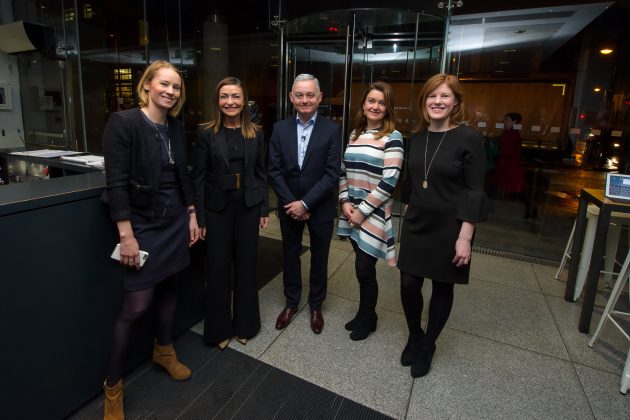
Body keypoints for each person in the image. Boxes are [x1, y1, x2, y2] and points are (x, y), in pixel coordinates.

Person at [102, 61, 199, 419]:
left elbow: (183, 175)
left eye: (176, 87)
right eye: (164, 84)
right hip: (142, 225)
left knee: (172, 286)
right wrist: (126, 235)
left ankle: (164, 351)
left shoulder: (175, 125)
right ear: (146, 85)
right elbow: (116, 183)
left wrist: (191, 214)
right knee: (137, 306)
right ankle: (113, 387)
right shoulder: (123, 122)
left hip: (175, 220)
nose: (171, 92)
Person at [397, 74, 486, 378]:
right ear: (424, 101)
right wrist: (405, 218)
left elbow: (475, 191)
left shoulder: (469, 138)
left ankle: (428, 345)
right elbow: (412, 182)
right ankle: (414, 334)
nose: (437, 102)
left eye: (445, 96)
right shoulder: (416, 137)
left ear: (456, 102)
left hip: (451, 227)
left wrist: (465, 237)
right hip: (416, 223)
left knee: (442, 286)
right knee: (408, 283)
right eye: (432, 96)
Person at [192, 77, 269, 349]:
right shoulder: (206, 132)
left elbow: (260, 173)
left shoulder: (256, 132)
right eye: (224, 96)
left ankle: (246, 325)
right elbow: (198, 177)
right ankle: (219, 329)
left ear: (244, 100)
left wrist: (263, 207)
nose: (230, 102)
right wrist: (200, 217)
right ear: (218, 100)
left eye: (235, 96)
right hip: (216, 209)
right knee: (217, 268)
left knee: (247, 267)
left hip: (248, 207)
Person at [268, 73, 341, 334]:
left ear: (320, 97)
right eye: (299, 95)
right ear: (291, 97)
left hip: (320, 207)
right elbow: (274, 170)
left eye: (310, 94)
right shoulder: (280, 129)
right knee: (290, 255)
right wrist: (292, 203)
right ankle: (291, 302)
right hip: (289, 207)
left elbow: (332, 173)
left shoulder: (332, 129)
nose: (305, 99)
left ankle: (316, 306)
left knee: (320, 258)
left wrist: (306, 203)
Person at [337, 81, 404, 341]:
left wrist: (361, 211)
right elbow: (343, 172)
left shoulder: (393, 137)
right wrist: (344, 202)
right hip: (351, 210)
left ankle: (367, 317)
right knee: (361, 269)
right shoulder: (355, 134)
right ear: (363, 104)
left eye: (382, 103)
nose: (375, 106)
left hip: (372, 214)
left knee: (364, 269)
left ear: (388, 108)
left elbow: (390, 181)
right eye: (371, 101)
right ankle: (367, 314)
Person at [496, 112, 529, 217]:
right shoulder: (508, 132)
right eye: (505, 119)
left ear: (514, 122)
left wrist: (499, 154)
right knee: (513, 187)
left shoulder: (513, 134)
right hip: (507, 164)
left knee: (516, 188)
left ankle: (528, 208)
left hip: (511, 165)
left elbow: (510, 150)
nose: (505, 122)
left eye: (507, 120)